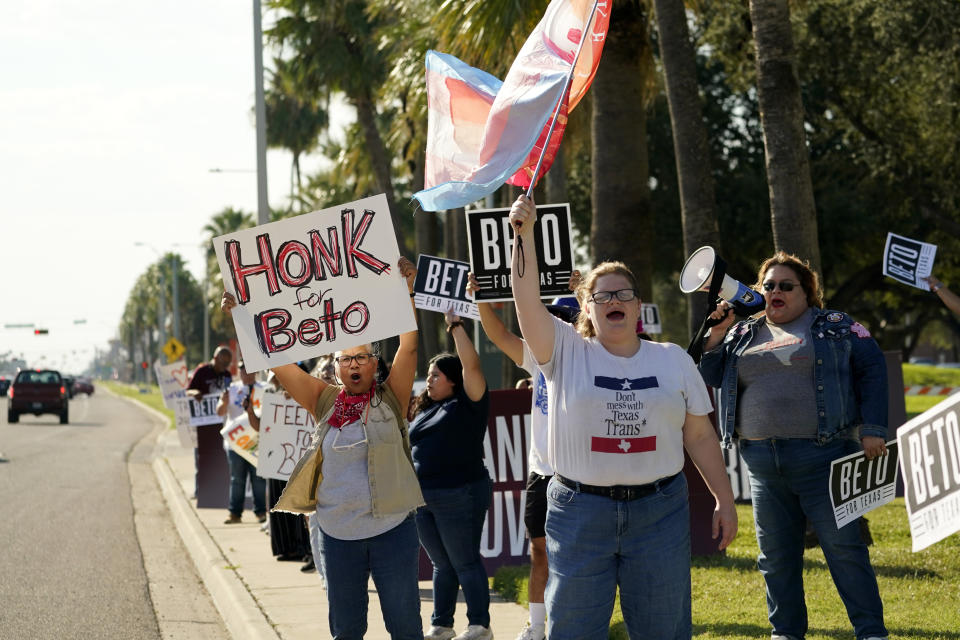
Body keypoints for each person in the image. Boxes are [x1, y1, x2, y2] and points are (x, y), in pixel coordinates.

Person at [508, 195, 737, 640]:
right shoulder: (563, 351)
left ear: (637, 306)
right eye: (603, 295)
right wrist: (524, 236)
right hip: (579, 515)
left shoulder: (673, 360)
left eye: (624, 293)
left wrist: (724, 500)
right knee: (572, 631)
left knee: (663, 630)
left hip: (660, 514)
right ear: (586, 308)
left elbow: (701, 437)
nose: (614, 299)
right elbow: (525, 302)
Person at [222, 256, 423, 640]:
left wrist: (407, 291)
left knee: (405, 628)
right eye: (345, 358)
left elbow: (409, 348)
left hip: (392, 532)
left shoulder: (391, 397)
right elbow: (278, 363)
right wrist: (241, 316)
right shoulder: (324, 400)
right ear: (335, 366)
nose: (354, 365)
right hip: (337, 536)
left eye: (362, 357)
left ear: (374, 363)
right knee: (346, 631)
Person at [699, 251, 889, 640]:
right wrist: (716, 335)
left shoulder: (835, 325)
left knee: (844, 550)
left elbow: (872, 366)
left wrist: (873, 428)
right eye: (768, 285)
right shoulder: (741, 332)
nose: (775, 292)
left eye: (786, 286)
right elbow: (711, 375)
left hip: (823, 458)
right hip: (762, 465)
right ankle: (785, 633)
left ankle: (871, 633)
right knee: (776, 558)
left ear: (807, 291)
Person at [466, 272, 580, 640]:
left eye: (567, 316)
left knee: (580, 557)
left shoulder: (592, 354)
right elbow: (498, 334)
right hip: (542, 472)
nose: (558, 322)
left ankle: (574, 622)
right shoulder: (535, 354)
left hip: (582, 474)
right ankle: (537, 626)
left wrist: (582, 289)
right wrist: (480, 299)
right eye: (554, 316)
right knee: (539, 553)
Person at [408, 309, 492, 640]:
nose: (429, 379)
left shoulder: (468, 402)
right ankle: (442, 624)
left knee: (465, 561)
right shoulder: (426, 408)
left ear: (453, 380)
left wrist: (455, 327)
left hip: (460, 492)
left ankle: (480, 625)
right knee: (442, 564)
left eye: (436, 375)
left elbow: (472, 365)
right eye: (428, 374)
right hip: (423, 498)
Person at [216, 360, 267, 524]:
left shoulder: (265, 388)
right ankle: (235, 513)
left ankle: (260, 512)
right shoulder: (231, 389)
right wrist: (224, 402)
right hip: (236, 442)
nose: (244, 373)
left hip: (258, 441)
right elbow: (219, 412)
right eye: (241, 370)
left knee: (258, 479)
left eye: (247, 369)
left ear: (255, 371)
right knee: (237, 479)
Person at [186, 346, 234, 499]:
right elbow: (188, 390)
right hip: (203, 424)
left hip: (220, 423)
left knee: (220, 457)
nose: (224, 368)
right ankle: (200, 491)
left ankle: (217, 490)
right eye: (222, 363)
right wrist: (195, 393)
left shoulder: (227, 375)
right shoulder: (202, 372)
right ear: (215, 359)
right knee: (201, 457)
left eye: (227, 364)